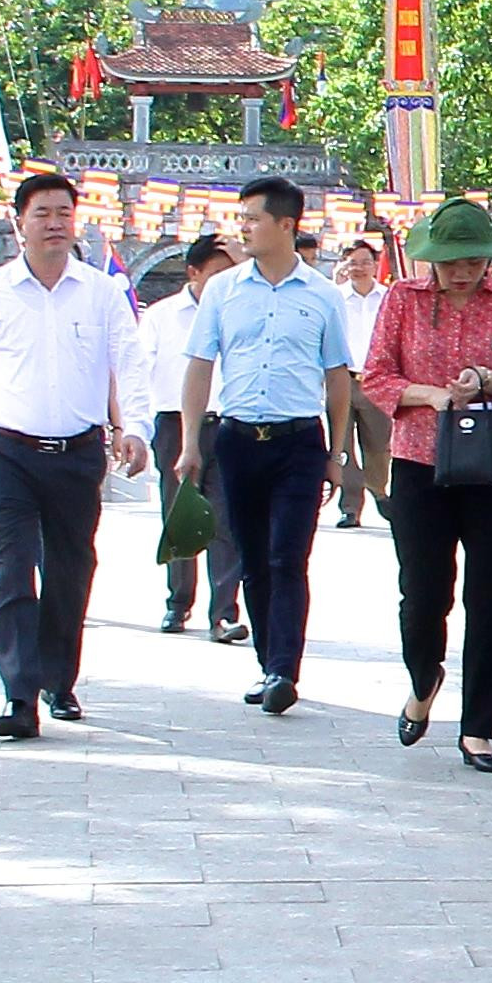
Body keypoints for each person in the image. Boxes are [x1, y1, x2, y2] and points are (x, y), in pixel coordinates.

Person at [0, 168, 145, 739]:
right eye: (42, 214)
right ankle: (19, 694)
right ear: (18, 222)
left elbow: (131, 364)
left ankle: (58, 679)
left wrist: (135, 428)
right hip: (7, 453)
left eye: (63, 214)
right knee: (11, 569)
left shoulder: (103, 293)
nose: (54, 224)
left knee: (71, 569)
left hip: (76, 453)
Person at [178, 176, 356, 717]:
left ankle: (285, 667)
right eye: (242, 218)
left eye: (254, 219)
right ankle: (266, 663)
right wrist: (191, 444)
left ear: (286, 224)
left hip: (299, 441)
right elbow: (200, 367)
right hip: (237, 439)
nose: (244, 229)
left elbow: (338, 378)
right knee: (253, 558)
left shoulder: (323, 296)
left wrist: (337, 453)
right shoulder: (223, 291)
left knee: (288, 556)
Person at [367, 197, 492, 770]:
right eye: (452, 260)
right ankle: (424, 676)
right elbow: (376, 375)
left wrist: (490, 379)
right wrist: (432, 396)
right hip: (419, 463)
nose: (463, 271)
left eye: (474, 259)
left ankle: (478, 727)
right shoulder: (403, 301)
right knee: (424, 593)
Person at [133, 237, 246, 639]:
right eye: (215, 275)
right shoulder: (162, 317)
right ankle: (178, 602)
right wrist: (136, 427)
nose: (222, 283)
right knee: (179, 513)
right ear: (193, 273)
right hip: (174, 423)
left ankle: (224, 612)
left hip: (229, 422)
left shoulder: (240, 312)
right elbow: (139, 371)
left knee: (225, 518)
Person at [332, 241, 394, 529]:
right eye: (353, 262)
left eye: (364, 262)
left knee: (379, 445)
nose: (358, 268)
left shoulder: (388, 297)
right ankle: (350, 506)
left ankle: (379, 490)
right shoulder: (335, 298)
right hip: (343, 378)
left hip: (376, 378)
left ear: (374, 264)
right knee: (343, 446)